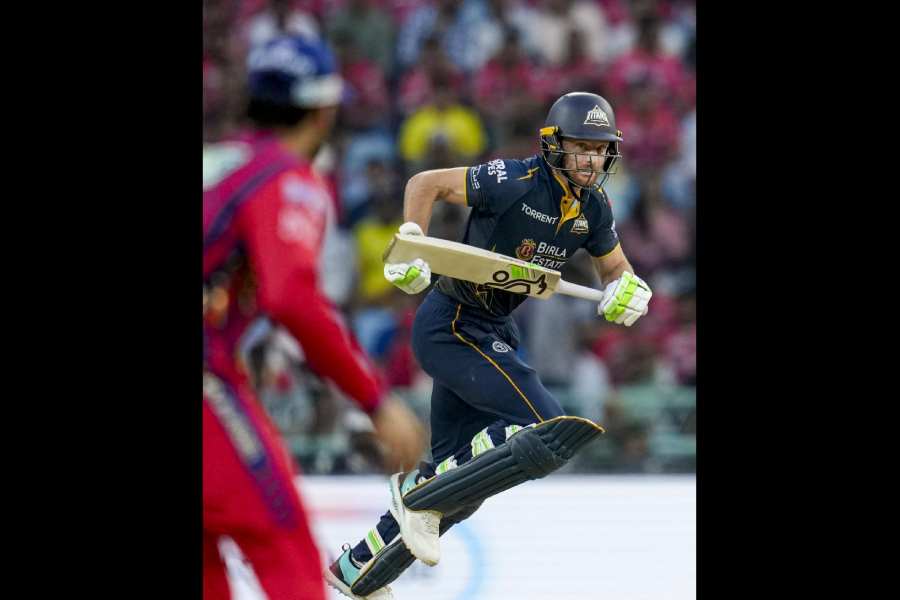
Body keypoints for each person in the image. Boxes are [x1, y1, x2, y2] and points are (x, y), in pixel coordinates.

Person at [325, 91, 652, 598]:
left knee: (460, 491)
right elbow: (425, 182)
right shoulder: (514, 181)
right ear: (553, 146)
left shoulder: (594, 208)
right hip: (451, 323)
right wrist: (412, 239)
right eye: (581, 147)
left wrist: (628, 288)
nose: (591, 160)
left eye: (600, 148)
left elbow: (613, 268)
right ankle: (416, 496)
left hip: (495, 329)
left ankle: (358, 568)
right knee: (542, 427)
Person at [203, 35, 424, 600]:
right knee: (288, 551)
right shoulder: (287, 179)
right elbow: (292, 298)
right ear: (325, 109)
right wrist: (375, 399)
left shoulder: (218, 161)